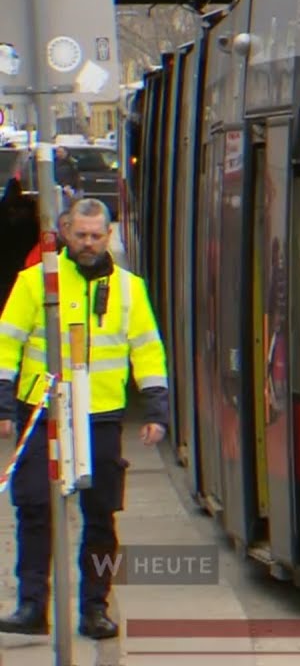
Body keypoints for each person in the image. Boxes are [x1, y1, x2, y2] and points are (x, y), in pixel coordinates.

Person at [0, 197, 169, 640]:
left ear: (109, 235)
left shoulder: (129, 288)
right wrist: (3, 405)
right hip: (44, 412)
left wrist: (156, 409)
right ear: (65, 232)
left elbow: (147, 349)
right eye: (81, 235)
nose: (89, 243)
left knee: (101, 515)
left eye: (97, 236)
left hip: (101, 416)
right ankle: (32, 604)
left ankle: (95, 608)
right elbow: (7, 342)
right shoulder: (37, 281)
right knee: (35, 506)